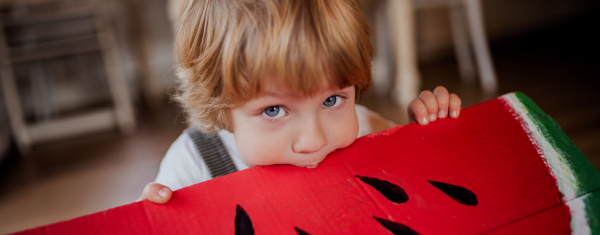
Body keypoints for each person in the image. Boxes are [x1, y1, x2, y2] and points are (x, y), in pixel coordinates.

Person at [140, 0, 461, 203]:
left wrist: (420, 138)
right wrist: (156, 214)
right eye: (274, 110)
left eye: (332, 100)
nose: (314, 141)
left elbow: (414, 191)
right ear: (219, 107)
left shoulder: (365, 125)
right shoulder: (192, 163)